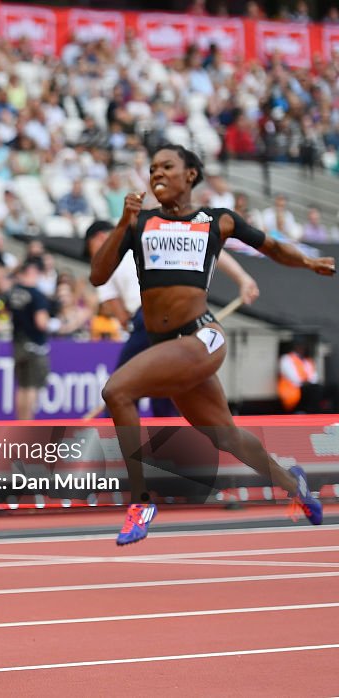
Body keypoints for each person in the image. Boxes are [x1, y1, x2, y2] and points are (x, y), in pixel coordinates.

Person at [90, 144, 334, 546]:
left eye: (167, 166)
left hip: (202, 335)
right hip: (169, 346)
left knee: (116, 390)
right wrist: (122, 223)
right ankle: (296, 484)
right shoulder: (140, 223)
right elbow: (99, 277)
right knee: (226, 436)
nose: (157, 174)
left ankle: (141, 501)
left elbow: (272, 247)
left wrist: (309, 263)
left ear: (190, 175)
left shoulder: (216, 222)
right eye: (152, 169)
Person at [84, 219, 261, 417]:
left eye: (91, 249)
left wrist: (133, 327)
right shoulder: (146, 234)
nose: (93, 255)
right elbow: (208, 246)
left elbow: (121, 316)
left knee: (118, 389)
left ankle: (109, 443)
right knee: (165, 385)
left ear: (99, 238)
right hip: (185, 315)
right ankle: (170, 440)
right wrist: (243, 278)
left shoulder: (104, 263)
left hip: (149, 317)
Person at [9, 257, 53, 420]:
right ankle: (28, 424)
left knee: (22, 386)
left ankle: (21, 423)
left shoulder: (15, 292)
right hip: (35, 346)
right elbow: (41, 323)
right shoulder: (37, 295)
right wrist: (55, 324)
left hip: (18, 344)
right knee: (32, 386)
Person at [278, 338, 321, 413]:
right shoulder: (287, 359)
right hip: (293, 388)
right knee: (312, 389)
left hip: (306, 387)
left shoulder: (307, 361)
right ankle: (301, 411)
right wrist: (305, 382)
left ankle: (311, 412)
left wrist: (309, 382)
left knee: (317, 388)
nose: (302, 349)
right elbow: (293, 377)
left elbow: (314, 377)